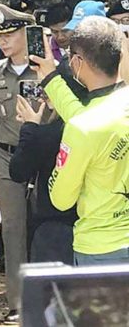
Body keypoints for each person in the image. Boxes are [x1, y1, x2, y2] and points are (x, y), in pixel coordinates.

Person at [30, 17, 129, 266]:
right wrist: (50, 78)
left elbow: (61, 198)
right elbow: (91, 116)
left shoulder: (82, 128)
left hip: (101, 248)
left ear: (76, 62)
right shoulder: (97, 118)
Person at [0, 3, 39, 324]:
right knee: (13, 230)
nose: (2, 41)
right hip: (6, 157)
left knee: (41, 228)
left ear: (27, 34)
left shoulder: (48, 70)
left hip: (42, 161)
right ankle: (17, 302)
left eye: (10, 34)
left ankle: (45, 296)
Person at [9, 94, 76, 265]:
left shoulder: (49, 134)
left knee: (52, 290)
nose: (41, 100)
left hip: (55, 226)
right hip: (99, 227)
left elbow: (18, 171)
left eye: (46, 95)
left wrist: (30, 127)